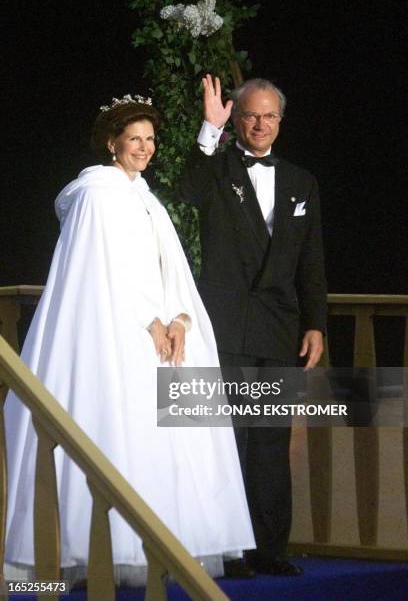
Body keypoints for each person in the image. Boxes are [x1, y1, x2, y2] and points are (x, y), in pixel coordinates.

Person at [4, 95, 255, 586]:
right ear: (112, 142)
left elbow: (170, 268)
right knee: (118, 425)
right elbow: (101, 266)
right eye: (135, 138)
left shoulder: (146, 197)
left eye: (150, 139)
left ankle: (161, 544)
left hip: (163, 331)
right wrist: (148, 320)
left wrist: (180, 316)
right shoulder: (98, 192)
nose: (144, 147)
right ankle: (96, 549)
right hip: (120, 331)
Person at [179, 75, 327, 576]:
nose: (260, 124)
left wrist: (316, 323)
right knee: (230, 435)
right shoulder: (217, 167)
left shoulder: (301, 181)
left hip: (281, 326)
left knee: (270, 437)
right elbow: (185, 191)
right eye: (249, 115)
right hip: (227, 323)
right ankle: (232, 550)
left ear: (280, 122)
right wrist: (208, 130)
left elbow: (311, 260)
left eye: (269, 116)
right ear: (235, 119)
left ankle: (270, 548)